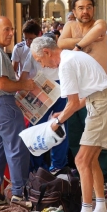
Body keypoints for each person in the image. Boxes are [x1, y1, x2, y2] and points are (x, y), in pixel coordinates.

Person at [30, 37, 107, 212]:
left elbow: (72, 104)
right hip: (103, 103)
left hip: (101, 105)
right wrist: (61, 115)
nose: (42, 65)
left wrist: (58, 121)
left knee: (81, 160)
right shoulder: (74, 56)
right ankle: (100, 209)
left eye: (40, 60)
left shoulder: (66, 64)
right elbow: (81, 99)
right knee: (91, 159)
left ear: (47, 52)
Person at [0, 16, 36, 208]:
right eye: (6, 30)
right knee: (16, 149)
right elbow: (1, 83)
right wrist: (23, 84)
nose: (11, 33)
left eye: (12, 29)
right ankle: (19, 193)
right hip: (3, 104)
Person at [57, 0, 107, 186]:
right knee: (75, 134)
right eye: (80, 8)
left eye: (89, 7)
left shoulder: (101, 23)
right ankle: (81, 173)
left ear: (94, 9)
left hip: (98, 92)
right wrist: (88, 40)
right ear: (74, 11)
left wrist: (79, 44)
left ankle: (103, 176)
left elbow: (96, 31)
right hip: (76, 92)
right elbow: (60, 43)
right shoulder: (70, 26)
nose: (85, 11)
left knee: (99, 139)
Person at [19, 21, 69, 175]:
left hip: (58, 89)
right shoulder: (34, 54)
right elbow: (24, 75)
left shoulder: (57, 55)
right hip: (42, 89)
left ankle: (54, 164)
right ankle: (44, 165)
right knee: (42, 127)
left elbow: (24, 74)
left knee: (56, 125)